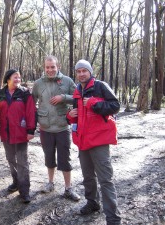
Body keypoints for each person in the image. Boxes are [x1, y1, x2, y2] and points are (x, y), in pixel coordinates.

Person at [66, 59, 121, 225]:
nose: (81, 74)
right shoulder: (77, 91)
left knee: (105, 179)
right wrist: (70, 116)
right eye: (79, 71)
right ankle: (93, 203)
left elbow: (115, 106)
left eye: (84, 70)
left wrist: (94, 103)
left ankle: (113, 218)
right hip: (82, 140)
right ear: (76, 74)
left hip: (99, 141)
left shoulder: (100, 86)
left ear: (90, 71)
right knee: (88, 177)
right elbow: (76, 117)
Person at [32, 55, 80, 201]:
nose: (50, 69)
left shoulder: (67, 81)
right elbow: (32, 102)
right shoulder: (38, 83)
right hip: (45, 128)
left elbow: (77, 97)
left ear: (58, 66)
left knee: (65, 158)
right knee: (49, 157)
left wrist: (63, 97)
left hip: (62, 127)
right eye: (47, 67)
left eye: (53, 67)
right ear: (44, 68)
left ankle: (68, 188)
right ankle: (51, 183)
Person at [0, 69, 36, 203]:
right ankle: (16, 182)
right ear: (7, 79)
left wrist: (31, 130)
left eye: (19, 78)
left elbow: (31, 112)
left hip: (21, 133)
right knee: (11, 160)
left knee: (22, 162)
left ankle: (24, 191)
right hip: (6, 133)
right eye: (15, 77)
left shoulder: (25, 93)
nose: (17, 80)